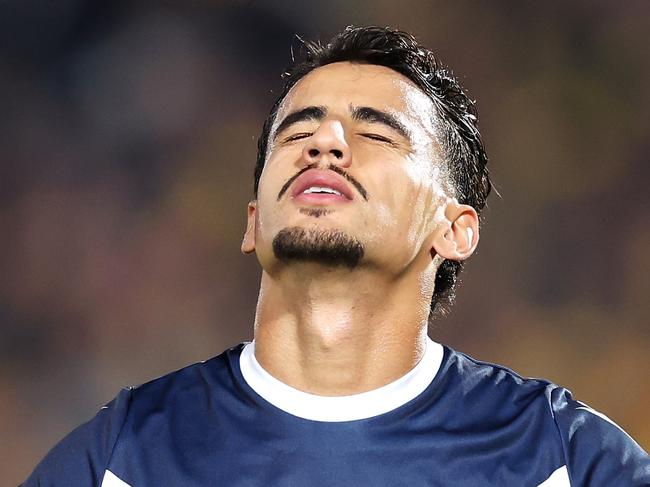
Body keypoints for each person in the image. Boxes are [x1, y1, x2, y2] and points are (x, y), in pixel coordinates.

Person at [23, 26, 649, 487]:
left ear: (455, 230)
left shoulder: (558, 454)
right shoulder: (125, 453)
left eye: (376, 133)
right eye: (296, 132)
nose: (325, 140)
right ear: (252, 221)